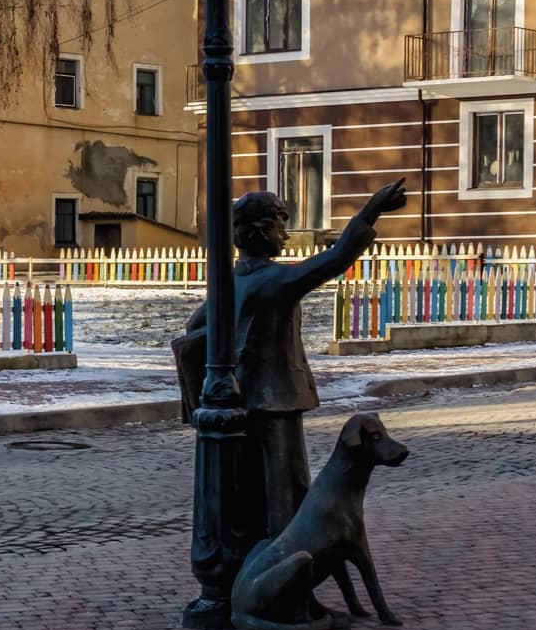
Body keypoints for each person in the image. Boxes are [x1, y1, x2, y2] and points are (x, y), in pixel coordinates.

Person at [174, 179, 407, 539]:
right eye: (281, 225)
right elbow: (335, 259)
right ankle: (289, 575)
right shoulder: (274, 281)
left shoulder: (231, 282)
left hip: (237, 402)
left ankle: (254, 564)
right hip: (276, 401)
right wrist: (370, 210)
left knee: (250, 495)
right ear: (260, 230)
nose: (286, 234)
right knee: (287, 494)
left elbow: (193, 330)